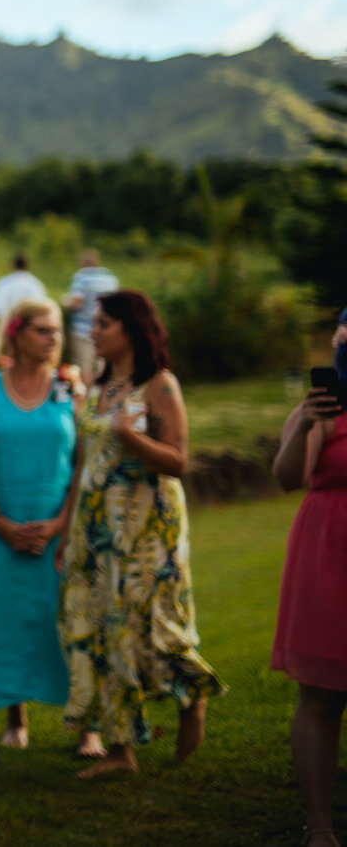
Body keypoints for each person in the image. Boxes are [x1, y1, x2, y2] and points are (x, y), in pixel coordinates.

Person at [57, 289, 225, 779]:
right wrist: (70, 531)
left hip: (147, 527)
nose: (94, 332)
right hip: (96, 526)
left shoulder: (160, 386)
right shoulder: (98, 384)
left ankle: (192, 693)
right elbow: (84, 463)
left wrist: (132, 437)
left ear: (130, 329)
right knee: (104, 627)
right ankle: (120, 749)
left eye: (103, 324)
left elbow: (178, 460)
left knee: (151, 626)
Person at [0, 297, 92, 752]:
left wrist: (62, 523)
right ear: (16, 333)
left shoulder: (69, 389)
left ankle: (90, 726)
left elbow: (82, 465)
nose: (54, 339)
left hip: (59, 531)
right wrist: (2, 524)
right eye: (43, 330)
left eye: (58, 331)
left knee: (72, 621)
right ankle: (16, 720)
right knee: (5, 619)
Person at [270, 308, 347, 847]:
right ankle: (319, 824)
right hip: (329, 550)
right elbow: (287, 477)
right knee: (320, 698)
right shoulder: (323, 409)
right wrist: (303, 422)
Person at [61, 249, 118, 384]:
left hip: (83, 330)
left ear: (83, 263)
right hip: (105, 329)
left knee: (83, 366)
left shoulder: (82, 276)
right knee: (101, 366)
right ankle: (99, 397)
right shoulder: (110, 278)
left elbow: (77, 301)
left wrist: (65, 302)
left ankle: (84, 398)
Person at [0, 251, 46, 321]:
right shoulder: (36, 284)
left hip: (7, 325)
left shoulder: (3, 283)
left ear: (13, 265)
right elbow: (41, 310)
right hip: (31, 325)